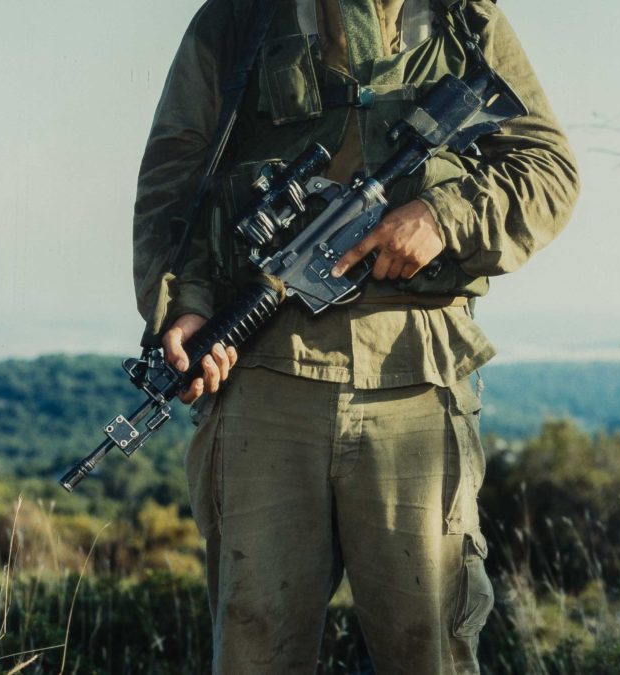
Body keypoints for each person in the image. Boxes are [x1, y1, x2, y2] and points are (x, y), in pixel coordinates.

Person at [132, 0, 579, 672]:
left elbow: (548, 170)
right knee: (255, 644)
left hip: (414, 376)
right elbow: (175, 174)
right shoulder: (240, 16)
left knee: (426, 646)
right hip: (264, 371)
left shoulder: (463, 16)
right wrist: (183, 304)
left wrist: (442, 215)